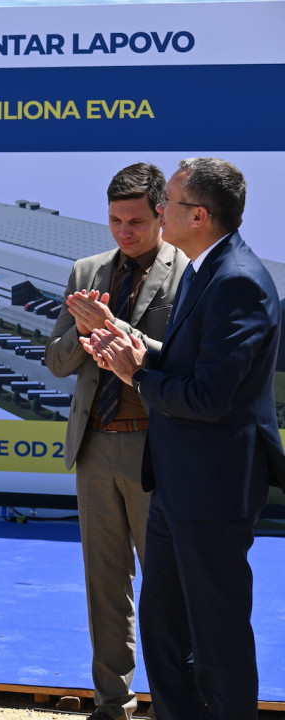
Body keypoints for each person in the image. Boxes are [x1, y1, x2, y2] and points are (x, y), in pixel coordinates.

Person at [83, 158, 285, 720]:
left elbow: (209, 397)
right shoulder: (205, 268)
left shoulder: (237, 280)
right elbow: (190, 361)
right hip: (177, 483)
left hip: (214, 485)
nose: (159, 210)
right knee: (163, 626)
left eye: (167, 203)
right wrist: (138, 347)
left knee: (217, 635)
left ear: (199, 215)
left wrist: (135, 375)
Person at [44, 163, 185, 720]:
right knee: (104, 584)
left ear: (162, 215)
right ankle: (112, 703)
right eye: (115, 221)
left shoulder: (187, 274)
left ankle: (176, 702)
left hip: (158, 450)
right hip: (95, 446)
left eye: (136, 222)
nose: (124, 232)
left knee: (168, 586)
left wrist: (117, 329)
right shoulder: (88, 271)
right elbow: (57, 362)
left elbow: (183, 362)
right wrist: (82, 331)